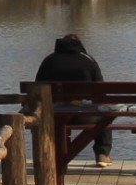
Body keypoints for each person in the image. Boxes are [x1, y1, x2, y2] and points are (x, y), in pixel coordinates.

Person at [35, 32, 111, 164]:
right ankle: (102, 153)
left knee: (52, 117)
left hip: (52, 115)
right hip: (84, 115)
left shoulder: (49, 60)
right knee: (106, 113)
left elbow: (36, 89)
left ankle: (51, 156)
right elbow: (101, 93)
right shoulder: (88, 60)